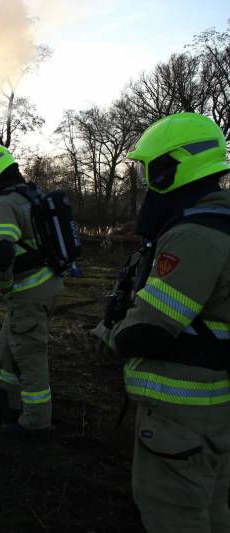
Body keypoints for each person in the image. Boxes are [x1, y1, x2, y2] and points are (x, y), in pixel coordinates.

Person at [91, 112, 230, 532]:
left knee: (175, 515)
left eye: (150, 170)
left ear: (173, 167)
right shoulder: (221, 223)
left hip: (181, 417)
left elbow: (149, 328)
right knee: (212, 512)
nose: (146, 183)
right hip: (215, 407)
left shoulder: (193, 235)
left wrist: (109, 336)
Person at [0, 144, 64, 434]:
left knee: (29, 354)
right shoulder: (30, 195)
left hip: (29, 291)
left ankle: (36, 422)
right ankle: (8, 401)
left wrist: (3, 283)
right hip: (47, 284)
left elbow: (3, 252)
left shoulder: (4, 203)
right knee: (9, 343)